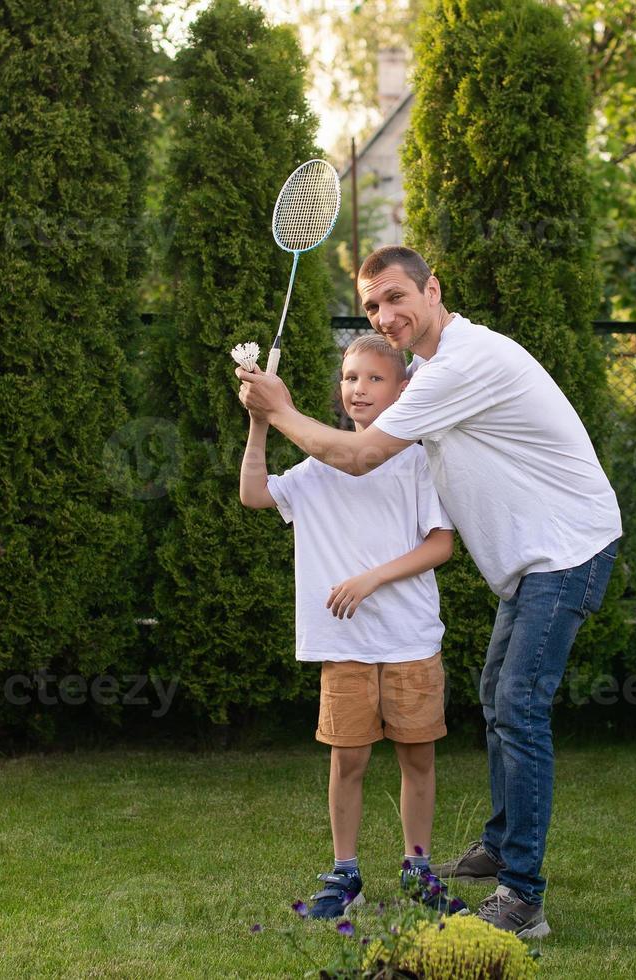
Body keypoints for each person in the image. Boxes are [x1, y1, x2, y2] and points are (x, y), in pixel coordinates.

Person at [237, 245, 622, 940]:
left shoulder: (460, 364)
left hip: (568, 551)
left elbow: (360, 455)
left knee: (518, 706)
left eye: (394, 298)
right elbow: (364, 428)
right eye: (371, 307)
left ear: (433, 289)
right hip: (536, 559)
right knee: (496, 696)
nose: (384, 316)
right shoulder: (427, 371)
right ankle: (502, 846)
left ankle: (522, 896)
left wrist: (279, 409)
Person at [240, 333, 463, 920]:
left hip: (410, 639)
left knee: (418, 759)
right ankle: (345, 874)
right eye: (349, 378)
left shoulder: (417, 459)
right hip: (345, 646)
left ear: (404, 389)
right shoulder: (319, 465)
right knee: (349, 762)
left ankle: (418, 870)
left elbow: (441, 544)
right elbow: (255, 494)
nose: (358, 389)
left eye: (374, 378)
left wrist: (371, 578)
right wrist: (262, 420)